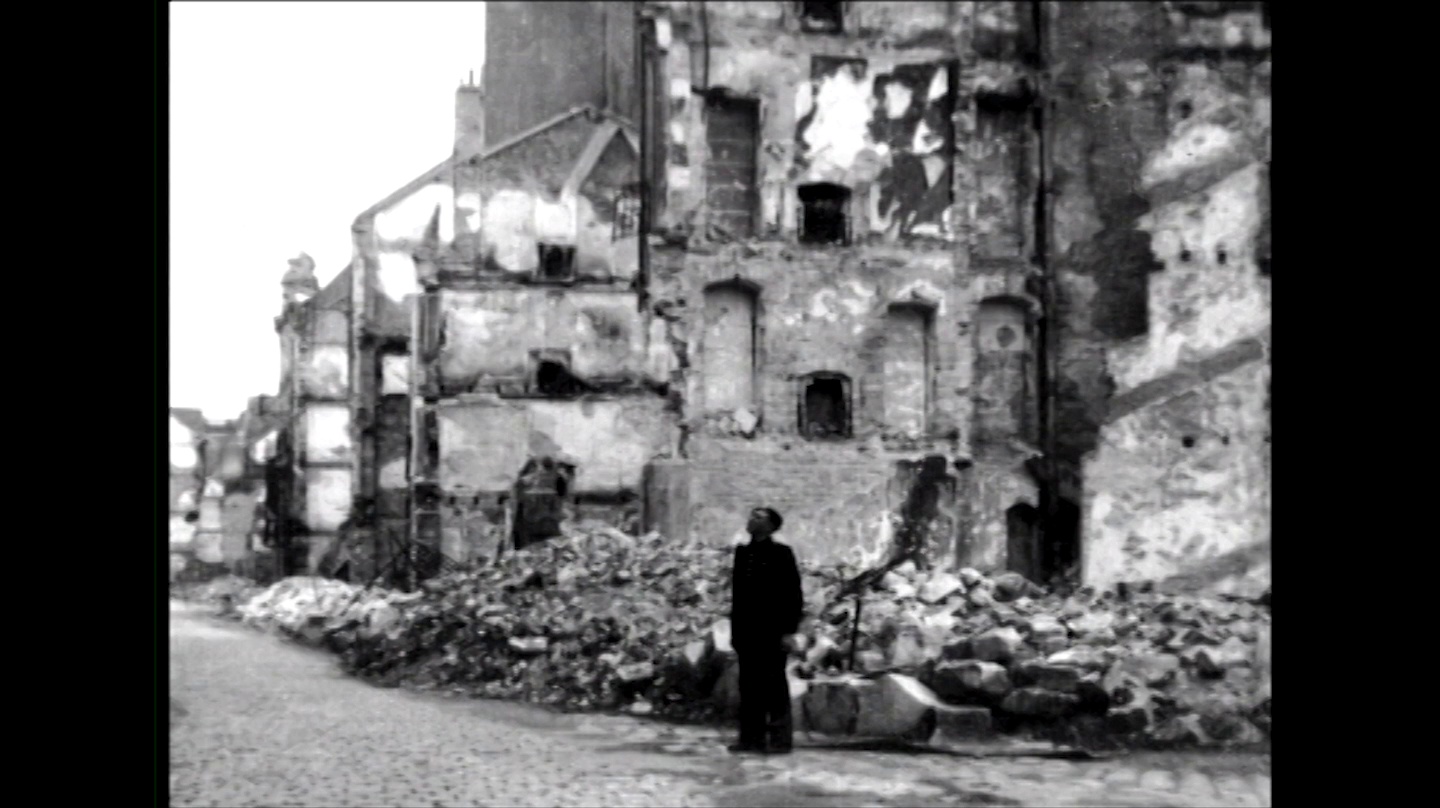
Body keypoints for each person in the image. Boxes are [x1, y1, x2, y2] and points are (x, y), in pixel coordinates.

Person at [728, 506, 804, 755]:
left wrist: (788, 631)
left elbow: (792, 594)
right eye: (751, 515)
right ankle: (750, 739)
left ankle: (780, 740)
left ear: (772, 526)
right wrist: (735, 632)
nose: (751, 520)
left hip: (772, 631)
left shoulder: (781, 554)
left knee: (774, 686)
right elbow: (737, 596)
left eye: (759, 517)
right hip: (747, 632)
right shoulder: (743, 553)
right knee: (749, 687)